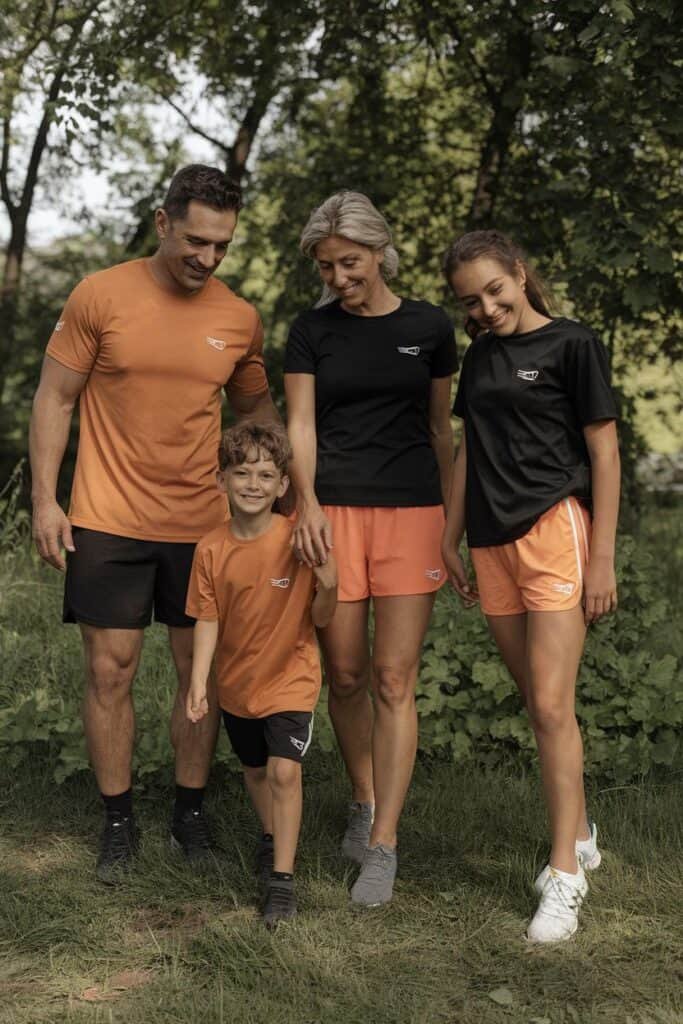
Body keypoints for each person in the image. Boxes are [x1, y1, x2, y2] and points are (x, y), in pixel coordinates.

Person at [29, 164, 282, 883]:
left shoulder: (238, 317)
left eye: (222, 246)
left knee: (195, 675)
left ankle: (189, 815)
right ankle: (117, 822)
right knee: (109, 671)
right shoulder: (99, 295)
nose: (206, 257)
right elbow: (54, 398)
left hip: (205, 526)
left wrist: (281, 494)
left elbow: (255, 414)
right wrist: (46, 500)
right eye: (196, 240)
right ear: (163, 221)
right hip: (107, 519)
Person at [441, 229, 620, 943]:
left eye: (493, 289)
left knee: (549, 705)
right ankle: (577, 827)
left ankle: (565, 875)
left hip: (554, 531)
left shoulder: (572, 345)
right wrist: (446, 535)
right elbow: (464, 448)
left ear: (519, 273)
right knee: (534, 697)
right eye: (470, 300)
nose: (485, 308)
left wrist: (600, 559)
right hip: (490, 542)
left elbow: (603, 454)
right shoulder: (479, 355)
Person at [284, 191, 457, 907]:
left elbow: (442, 429)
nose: (337, 277)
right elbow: (299, 427)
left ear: (379, 251)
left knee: (393, 678)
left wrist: (452, 528)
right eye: (326, 266)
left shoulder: (430, 326)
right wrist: (309, 508)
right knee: (346, 673)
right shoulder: (309, 330)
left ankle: (383, 841)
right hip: (334, 516)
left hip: (413, 513)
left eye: (348, 263)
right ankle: (362, 797)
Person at [185, 422, 337, 927]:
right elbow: (207, 618)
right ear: (221, 479)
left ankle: (282, 883)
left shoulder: (297, 539)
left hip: (290, 679)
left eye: (266, 474)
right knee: (254, 770)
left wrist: (330, 584)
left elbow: (321, 618)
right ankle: (272, 835)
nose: (253, 483)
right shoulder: (209, 549)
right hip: (235, 686)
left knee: (284, 771)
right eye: (242, 472)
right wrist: (198, 682)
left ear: (283, 486)